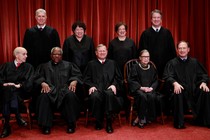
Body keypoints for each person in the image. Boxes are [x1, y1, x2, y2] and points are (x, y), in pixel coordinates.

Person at [34, 47, 83, 134]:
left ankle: (71, 124)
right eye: (54, 54)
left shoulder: (69, 65)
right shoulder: (44, 66)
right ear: (51, 55)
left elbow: (77, 75)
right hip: (50, 90)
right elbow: (37, 77)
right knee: (44, 96)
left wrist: (74, 80)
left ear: (62, 55)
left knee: (71, 95)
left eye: (59, 54)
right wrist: (42, 82)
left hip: (64, 90)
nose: (56, 56)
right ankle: (46, 125)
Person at [163, 40, 210, 129]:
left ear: (188, 49)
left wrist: (204, 82)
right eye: (180, 48)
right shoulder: (172, 63)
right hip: (181, 91)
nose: (182, 50)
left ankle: (204, 121)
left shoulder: (194, 62)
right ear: (177, 50)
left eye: (184, 48)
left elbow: (204, 74)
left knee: (205, 91)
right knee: (178, 91)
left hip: (193, 90)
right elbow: (167, 76)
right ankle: (179, 123)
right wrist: (175, 83)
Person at [83, 44, 123, 134]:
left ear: (107, 52)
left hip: (109, 88)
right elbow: (86, 79)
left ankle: (109, 122)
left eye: (104, 51)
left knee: (109, 94)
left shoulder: (113, 63)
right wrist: (91, 86)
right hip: (96, 89)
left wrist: (114, 85)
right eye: (100, 51)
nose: (102, 52)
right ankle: (98, 120)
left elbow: (119, 78)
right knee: (95, 96)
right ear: (96, 53)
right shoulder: (91, 64)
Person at [0, 47, 34, 138]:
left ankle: (6, 126)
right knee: (9, 90)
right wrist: (5, 84)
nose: (26, 56)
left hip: (21, 92)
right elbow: (0, 79)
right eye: (24, 54)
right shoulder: (6, 66)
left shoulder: (28, 67)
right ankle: (18, 116)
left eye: (26, 54)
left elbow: (29, 82)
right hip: (7, 91)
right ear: (16, 55)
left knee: (10, 92)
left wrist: (18, 85)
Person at [108, 22, 137, 119]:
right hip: (116, 70)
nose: (121, 31)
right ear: (116, 31)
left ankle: (128, 111)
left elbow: (135, 58)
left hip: (128, 71)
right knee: (118, 90)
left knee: (128, 90)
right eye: (119, 29)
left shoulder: (131, 42)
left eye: (123, 29)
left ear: (126, 31)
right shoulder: (112, 43)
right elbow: (110, 58)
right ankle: (116, 111)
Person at [138, 9, 176, 79]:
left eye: (158, 17)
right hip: (149, 67)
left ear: (161, 19)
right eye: (154, 17)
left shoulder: (167, 33)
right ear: (151, 19)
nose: (156, 19)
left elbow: (172, 50)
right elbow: (142, 51)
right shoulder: (145, 34)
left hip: (165, 67)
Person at [128, 49, 158, 128]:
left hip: (149, 90)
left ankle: (139, 118)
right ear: (140, 58)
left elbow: (156, 81)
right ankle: (142, 119)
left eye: (148, 57)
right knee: (142, 96)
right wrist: (141, 88)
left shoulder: (152, 68)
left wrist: (151, 88)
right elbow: (131, 80)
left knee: (151, 96)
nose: (146, 58)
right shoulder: (135, 67)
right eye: (144, 57)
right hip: (138, 90)